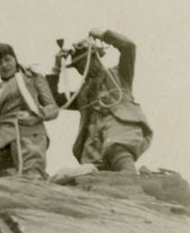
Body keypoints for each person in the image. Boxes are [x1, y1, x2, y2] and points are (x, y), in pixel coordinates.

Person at [47, 28, 152, 173]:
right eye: (79, 66)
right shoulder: (82, 93)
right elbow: (55, 100)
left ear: (96, 57)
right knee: (91, 171)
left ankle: (131, 180)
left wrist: (104, 36)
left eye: (87, 61)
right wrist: (56, 68)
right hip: (93, 141)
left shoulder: (119, 75)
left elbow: (128, 47)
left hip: (118, 131)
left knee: (117, 148)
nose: (84, 67)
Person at [0, 43, 59, 179]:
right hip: (0, 140)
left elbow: (53, 108)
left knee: (31, 180)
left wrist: (36, 115)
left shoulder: (31, 78)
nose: (4, 65)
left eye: (7, 60)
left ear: (15, 60)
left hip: (27, 135)